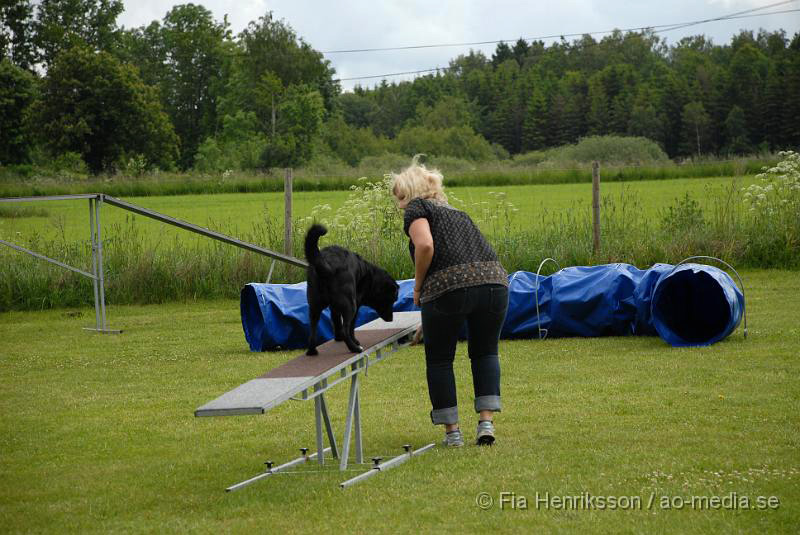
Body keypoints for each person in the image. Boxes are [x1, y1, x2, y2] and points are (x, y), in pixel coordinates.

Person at [390, 156, 509, 447]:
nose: (400, 206)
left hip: (449, 290)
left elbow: (426, 245)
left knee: (440, 359)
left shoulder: (418, 208)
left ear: (411, 192)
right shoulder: (456, 212)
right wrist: (429, 319)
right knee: (485, 353)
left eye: (400, 198)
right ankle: (486, 423)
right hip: (495, 284)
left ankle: (453, 433)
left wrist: (418, 288)